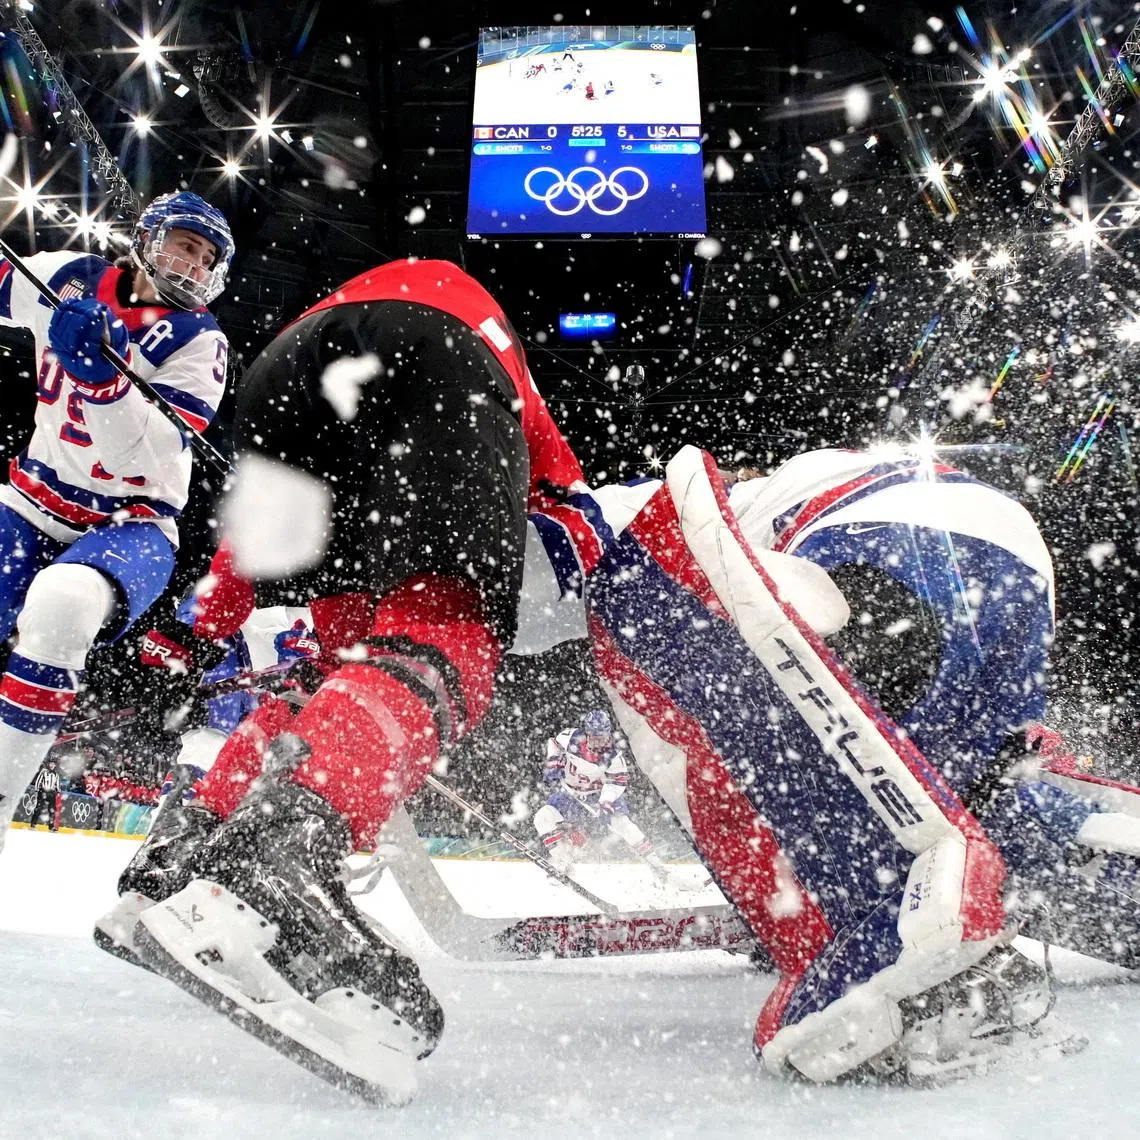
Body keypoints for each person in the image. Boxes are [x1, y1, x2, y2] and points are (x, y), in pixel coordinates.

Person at [114, 257, 589, 1105]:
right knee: (447, 630)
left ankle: (184, 855)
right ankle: (275, 862)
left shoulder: (358, 315)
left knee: (350, 668)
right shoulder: (508, 383)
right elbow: (574, 520)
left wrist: (195, 632)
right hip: (430, 351)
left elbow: (239, 563)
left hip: (281, 377)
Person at [0, 190, 232, 851]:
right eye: (186, 245)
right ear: (148, 238)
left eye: (207, 257)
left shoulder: (202, 341)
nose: (195, 265)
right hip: (32, 500)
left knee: (65, 603)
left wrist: (104, 382)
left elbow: (139, 455)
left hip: (129, 524)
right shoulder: (70, 275)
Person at [534, 708, 669, 879]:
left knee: (623, 824)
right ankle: (563, 863)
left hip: (598, 795)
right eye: (595, 738)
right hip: (571, 794)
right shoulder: (570, 738)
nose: (599, 743)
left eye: (603, 738)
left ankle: (657, 866)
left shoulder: (614, 757)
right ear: (587, 734)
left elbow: (617, 782)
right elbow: (553, 743)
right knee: (543, 817)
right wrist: (553, 760)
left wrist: (605, 799)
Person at [29, 757, 61, 831]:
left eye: (53, 764)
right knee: (39, 808)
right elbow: (38, 781)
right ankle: (33, 823)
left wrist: (58, 792)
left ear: (55, 765)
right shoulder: (44, 771)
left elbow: (57, 785)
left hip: (52, 793)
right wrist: (37, 790)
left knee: (52, 810)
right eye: (51, 763)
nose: (52, 765)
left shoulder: (56, 774)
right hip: (43, 791)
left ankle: (51, 826)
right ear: (48, 764)